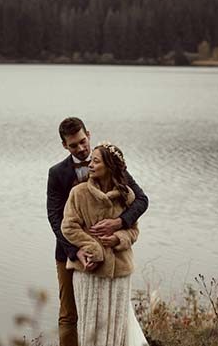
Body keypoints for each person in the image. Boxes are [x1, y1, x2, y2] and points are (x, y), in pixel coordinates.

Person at [47, 117, 148, 346]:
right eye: (74, 145)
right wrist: (76, 251)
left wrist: (120, 223)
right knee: (69, 314)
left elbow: (141, 200)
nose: (81, 148)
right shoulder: (57, 173)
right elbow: (56, 218)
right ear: (65, 146)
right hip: (68, 251)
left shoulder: (111, 162)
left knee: (109, 312)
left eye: (83, 141)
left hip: (112, 255)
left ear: (88, 135)